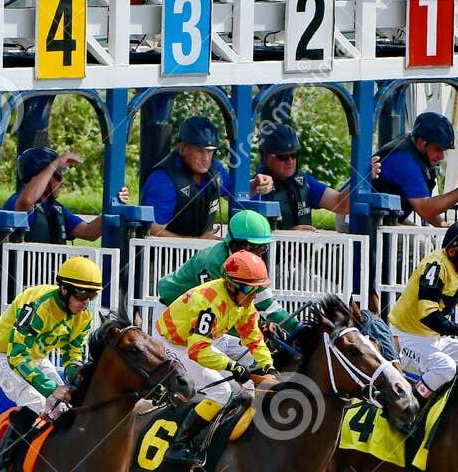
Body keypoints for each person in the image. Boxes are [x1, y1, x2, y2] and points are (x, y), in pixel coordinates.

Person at [0, 255, 103, 472]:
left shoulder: (84, 317)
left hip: (36, 357)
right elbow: (17, 355)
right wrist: (50, 388)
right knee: (37, 400)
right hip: (3, 353)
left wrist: (76, 375)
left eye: (92, 295)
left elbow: (72, 353)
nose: (86, 302)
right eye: (81, 294)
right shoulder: (38, 306)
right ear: (65, 289)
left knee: (65, 409)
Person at [155, 250, 278, 469]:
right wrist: (233, 366)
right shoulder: (209, 303)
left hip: (202, 341)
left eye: (257, 289)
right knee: (221, 392)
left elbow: (253, 337)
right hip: (174, 344)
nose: (253, 296)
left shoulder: (244, 303)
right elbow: (198, 350)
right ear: (231, 285)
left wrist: (268, 364)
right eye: (250, 289)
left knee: (248, 387)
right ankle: (178, 445)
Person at [156, 209, 299, 358]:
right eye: (251, 248)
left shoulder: (250, 265)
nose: (256, 255)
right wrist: (260, 329)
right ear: (233, 243)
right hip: (173, 320)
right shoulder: (212, 263)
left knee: (254, 360)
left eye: (261, 248)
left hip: (205, 323)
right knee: (221, 375)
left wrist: (298, 328)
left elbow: (268, 305)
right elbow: (222, 315)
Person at [388, 219, 458, 400]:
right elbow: (428, 316)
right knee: (446, 367)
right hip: (405, 337)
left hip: (433, 339)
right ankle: (408, 408)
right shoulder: (435, 267)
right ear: (452, 251)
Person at [143, 116, 271, 238]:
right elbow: (153, 229)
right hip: (167, 257)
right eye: (200, 151)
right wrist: (198, 240)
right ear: (182, 148)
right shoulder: (163, 179)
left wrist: (256, 184)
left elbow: (236, 195)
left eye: (210, 151)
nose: (206, 158)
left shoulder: (215, 168)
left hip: (201, 254)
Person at [373, 110, 458, 226]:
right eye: (438, 149)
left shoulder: (418, 154)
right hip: (370, 225)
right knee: (424, 242)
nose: (441, 156)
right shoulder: (405, 161)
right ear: (421, 142)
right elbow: (425, 209)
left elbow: (425, 207)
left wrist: (443, 225)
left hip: (387, 220)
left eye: (444, 151)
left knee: (429, 240)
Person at [6, 147, 126, 245]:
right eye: (57, 175)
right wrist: (55, 164)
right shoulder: (16, 201)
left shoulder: (55, 208)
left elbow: (89, 232)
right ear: (39, 177)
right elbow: (26, 201)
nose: (63, 181)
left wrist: (115, 205)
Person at [257, 123, 363, 230]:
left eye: (294, 155)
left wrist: (361, 178)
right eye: (283, 157)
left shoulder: (305, 181)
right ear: (265, 157)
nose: (290, 161)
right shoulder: (255, 187)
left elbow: (342, 205)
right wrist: (289, 234)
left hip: (305, 246)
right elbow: (249, 234)